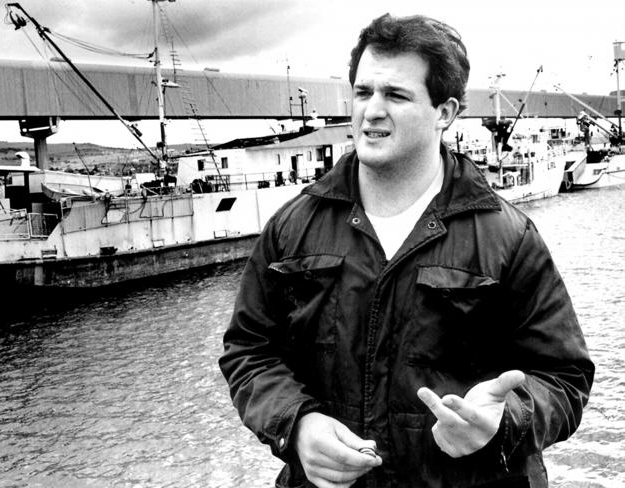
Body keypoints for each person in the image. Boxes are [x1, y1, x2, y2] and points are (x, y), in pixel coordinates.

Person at [219, 13, 594, 488]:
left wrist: (503, 422)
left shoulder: (509, 237)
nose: (371, 110)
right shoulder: (292, 228)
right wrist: (297, 425)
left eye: (395, 95)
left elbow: (565, 377)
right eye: (362, 92)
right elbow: (249, 351)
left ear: (446, 112)